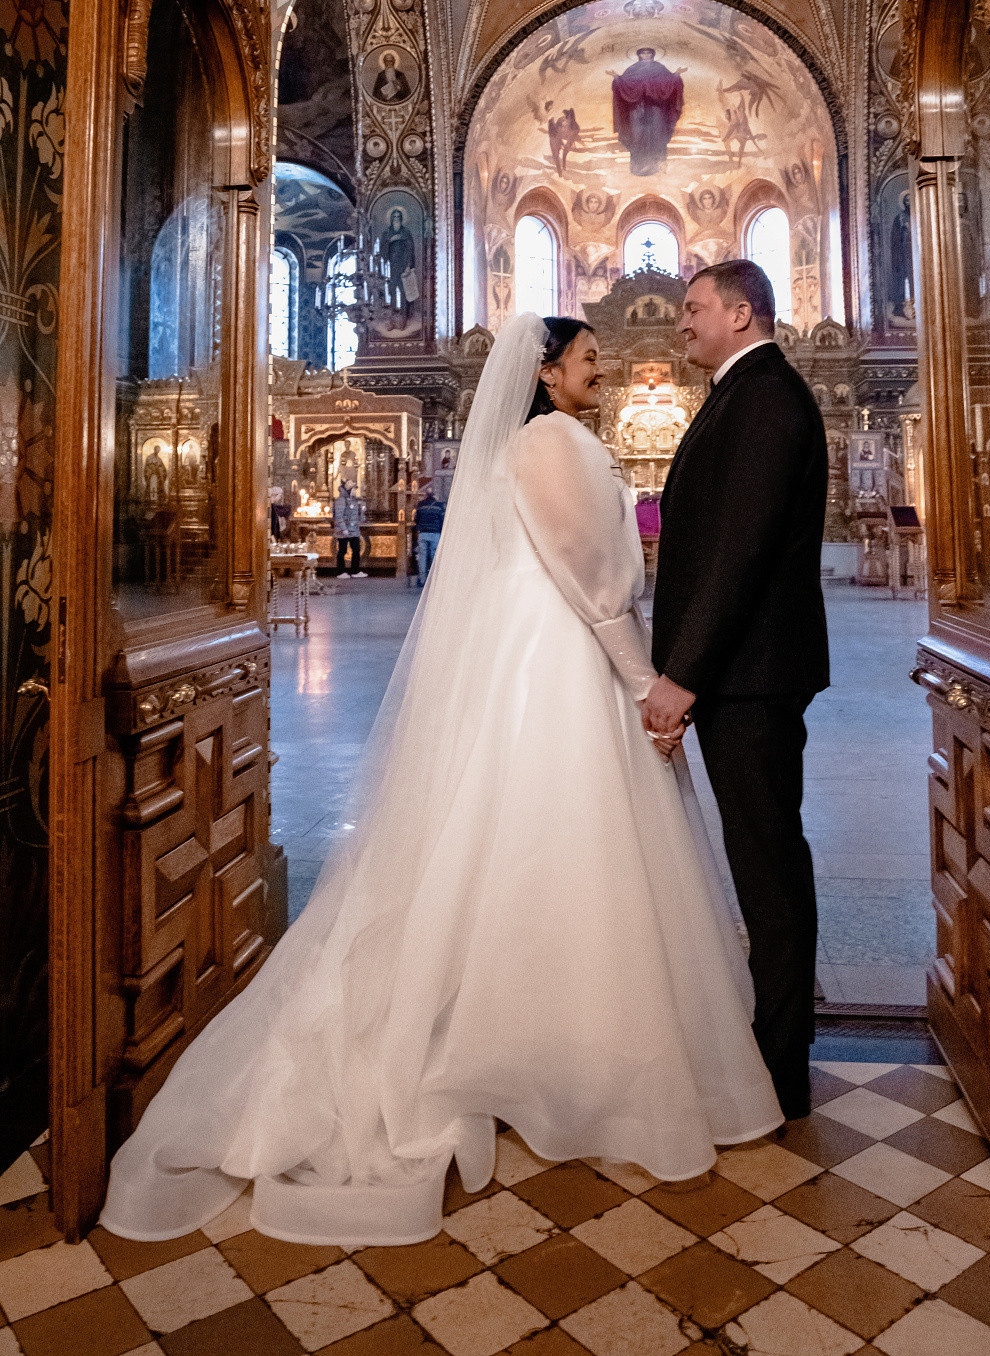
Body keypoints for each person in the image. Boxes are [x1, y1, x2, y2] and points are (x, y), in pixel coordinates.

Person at [100, 312, 782, 1250]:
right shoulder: (552, 443)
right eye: (589, 361)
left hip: (533, 652)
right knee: (571, 835)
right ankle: (564, 1048)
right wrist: (644, 686)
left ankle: (538, 1030)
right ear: (545, 375)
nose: (603, 372)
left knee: (524, 840)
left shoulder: (529, 444)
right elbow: (592, 579)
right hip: (563, 661)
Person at [643, 260, 829, 1120]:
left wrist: (683, 675)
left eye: (694, 308)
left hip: (749, 676)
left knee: (767, 863)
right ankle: (773, 1043)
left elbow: (740, 551)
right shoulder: (741, 391)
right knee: (762, 859)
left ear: (741, 312)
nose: (682, 322)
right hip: (745, 672)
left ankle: (781, 1061)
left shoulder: (764, 398)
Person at [612, 48, 685, 176]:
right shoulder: (632, 70)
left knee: (658, 134)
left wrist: (676, 76)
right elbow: (624, 85)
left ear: (653, 54)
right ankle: (638, 167)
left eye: (648, 53)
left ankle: (659, 166)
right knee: (637, 135)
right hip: (637, 109)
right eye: (643, 53)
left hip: (656, 108)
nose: (646, 55)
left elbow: (669, 84)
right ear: (639, 55)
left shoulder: (660, 68)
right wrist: (617, 78)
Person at [334, 479, 367, 578]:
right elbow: (339, 516)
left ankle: (355, 571)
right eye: (354, 490)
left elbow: (359, 517)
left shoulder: (354, 501)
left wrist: (362, 511)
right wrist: (344, 529)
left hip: (354, 530)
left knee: (356, 549)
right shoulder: (341, 500)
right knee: (342, 550)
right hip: (343, 530)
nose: (355, 492)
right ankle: (340, 572)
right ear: (349, 490)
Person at [413, 488, 446, 585]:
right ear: (433, 495)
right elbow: (442, 520)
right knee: (434, 556)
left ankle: (422, 580)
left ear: (426, 495)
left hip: (423, 533)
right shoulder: (439, 506)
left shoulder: (420, 505)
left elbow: (416, 520)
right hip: (435, 534)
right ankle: (432, 581)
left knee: (422, 557)